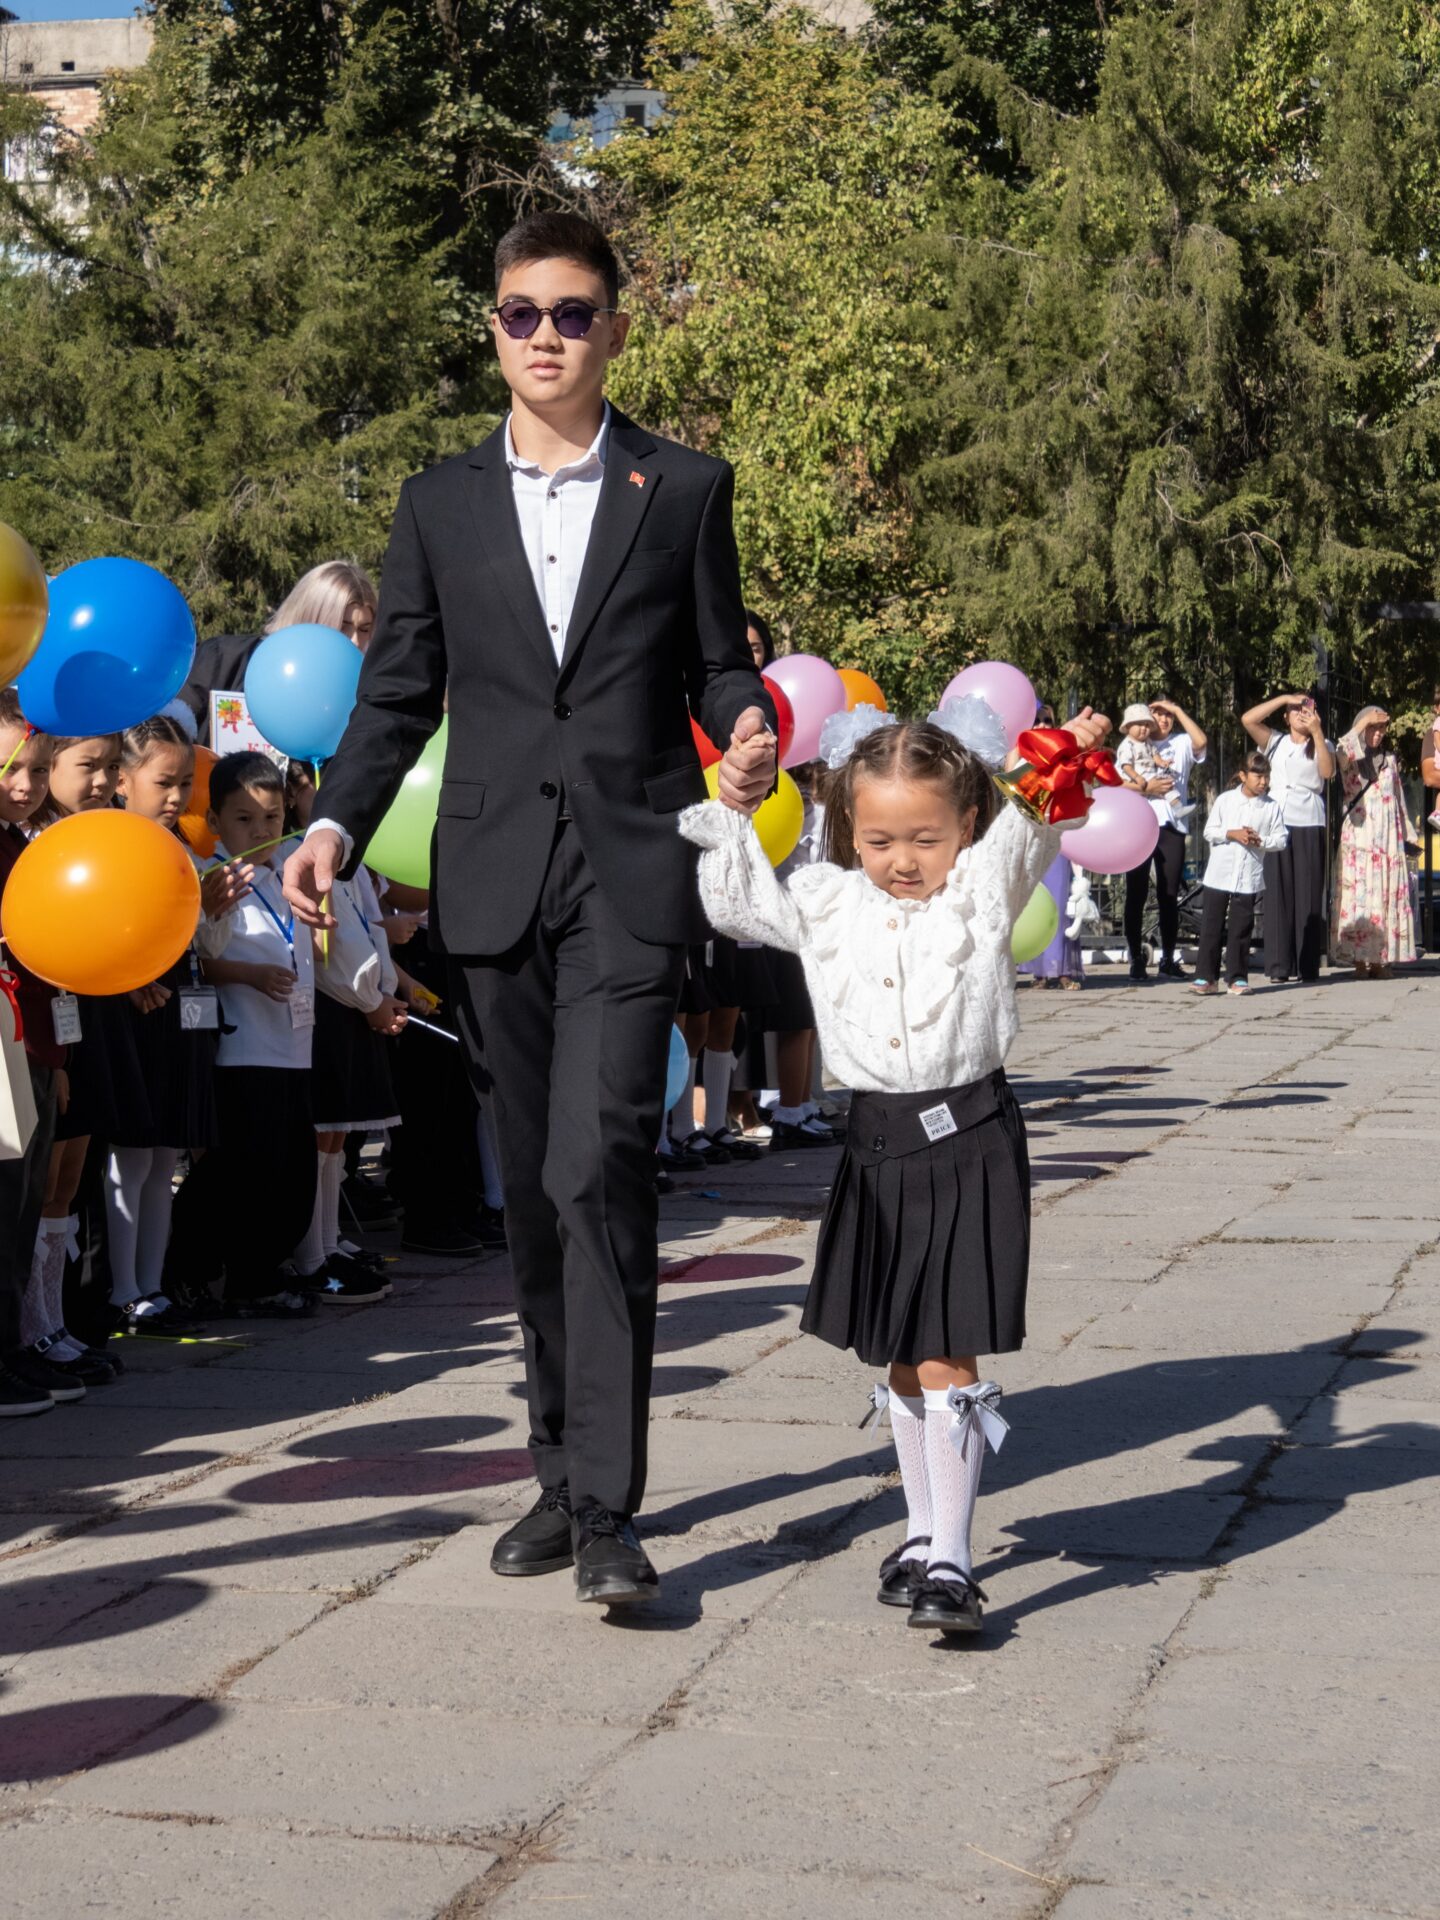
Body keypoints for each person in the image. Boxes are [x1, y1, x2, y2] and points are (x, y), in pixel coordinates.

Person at [283, 210, 776, 1607]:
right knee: (535, 1189)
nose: (545, 336)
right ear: (493, 328)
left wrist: (747, 726)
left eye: (571, 313)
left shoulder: (682, 487)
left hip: (631, 869)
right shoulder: (437, 502)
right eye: (520, 314)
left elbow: (717, 659)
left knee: (600, 1163)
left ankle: (608, 1508)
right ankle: (557, 1471)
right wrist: (332, 824)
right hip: (493, 880)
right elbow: (396, 695)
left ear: (614, 326)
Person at [682, 701, 1111, 1637]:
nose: (903, 860)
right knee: (900, 1356)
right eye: (879, 840)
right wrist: (732, 810)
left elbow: (1039, 816)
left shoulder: (983, 887)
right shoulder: (828, 900)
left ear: (967, 824)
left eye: (926, 838)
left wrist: (1060, 756)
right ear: (848, 826)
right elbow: (738, 905)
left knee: (948, 1350)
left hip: (968, 1138)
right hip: (877, 1143)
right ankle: (921, 1534)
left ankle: (953, 1556)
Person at [168, 752, 319, 1317]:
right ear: (215, 822)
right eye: (244, 819)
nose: (260, 831)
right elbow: (192, 959)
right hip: (241, 1046)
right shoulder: (211, 878)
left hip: (293, 1044)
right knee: (237, 1171)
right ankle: (196, 1271)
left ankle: (260, 1273)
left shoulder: (284, 876)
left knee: (289, 1170)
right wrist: (249, 975)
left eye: (272, 818)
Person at [0, 695, 93, 1414]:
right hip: (3, 1049)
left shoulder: (22, 844)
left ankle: (14, 1344)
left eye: (36, 769)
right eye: (10, 768)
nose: (26, 784)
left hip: (30, 1046)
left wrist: (54, 1061)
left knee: (23, 1203)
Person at [177, 559, 378, 746]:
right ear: (312, 617)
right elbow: (171, 731)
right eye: (343, 626)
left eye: (364, 629)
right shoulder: (223, 659)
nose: (355, 641)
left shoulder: (361, 694)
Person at [1241, 692, 1336, 983]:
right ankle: (1279, 966)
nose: (1300, 713)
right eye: (1295, 709)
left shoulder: (1322, 743)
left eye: (1306, 708)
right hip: (1277, 822)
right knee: (1277, 893)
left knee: (1307, 894)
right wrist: (1284, 698)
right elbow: (1248, 719)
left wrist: (1317, 731)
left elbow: (1327, 772)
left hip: (1308, 819)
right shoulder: (1275, 741)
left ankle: (1307, 965)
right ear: (1285, 716)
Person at [1114, 697, 1207, 983]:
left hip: (1171, 826)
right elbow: (1116, 783)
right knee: (1137, 892)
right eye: (1157, 714)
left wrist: (1178, 708)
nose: (1163, 719)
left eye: (1168, 715)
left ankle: (1167, 958)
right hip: (1139, 824)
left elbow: (1201, 742)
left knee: (1169, 894)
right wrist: (1147, 788)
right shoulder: (1131, 745)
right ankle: (1136, 957)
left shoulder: (1180, 743)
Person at [1190, 754, 1288, 997]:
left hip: (1248, 876)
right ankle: (1206, 977)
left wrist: (1260, 840)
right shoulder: (1226, 800)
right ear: (1243, 776)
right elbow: (1209, 831)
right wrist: (1231, 833)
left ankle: (1237, 977)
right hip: (1219, 873)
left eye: (1266, 777)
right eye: (1258, 776)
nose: (1263, 782)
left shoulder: (1271, 806)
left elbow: (1281, 839)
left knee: (1241, 927)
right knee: (1211, 925)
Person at [1332, 705, 1416, 978]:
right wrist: (1363, 721)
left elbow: (1398, 800)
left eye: (1381, 728)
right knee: (1361, 896)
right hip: (1360, 838)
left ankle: (1381, 960)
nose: (1378, 734)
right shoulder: (1351, 758)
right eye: (1372, 728)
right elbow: (1340, 750)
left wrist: (1407, 835)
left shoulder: (1389, 760)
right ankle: (1359, 960)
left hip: (1387, 841)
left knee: (1384, 896)